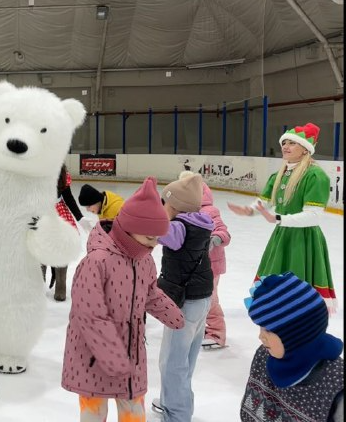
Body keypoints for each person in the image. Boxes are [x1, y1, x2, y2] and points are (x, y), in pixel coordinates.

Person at [62, 176, 184, 422]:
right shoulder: (96, 262)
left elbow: (149, 292)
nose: (154, 245)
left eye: (157, 239)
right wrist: (113, 356)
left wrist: (174, 315)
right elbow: (89, 315)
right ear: (128, 229)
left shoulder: (143, 259)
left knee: (134, 413)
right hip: (94, 356)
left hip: (130, 354)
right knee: (93, 413)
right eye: (150, 238)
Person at [227, 123, 336, 313]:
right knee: (277, 290)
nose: (285, 146)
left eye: (292, 143)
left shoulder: (315, 175)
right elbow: (264, 202)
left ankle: (295, 335)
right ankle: (276, 336)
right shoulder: (279, 175)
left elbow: (313, 216)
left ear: (305, 149)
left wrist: (279, 219)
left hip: (304, 240)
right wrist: (249, 210)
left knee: (297, 292)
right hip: (282, 236)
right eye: (284, 142)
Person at [152, 173, 214, 422]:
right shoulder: (200, 223)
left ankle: (177, 415)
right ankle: (174, 402)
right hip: (201, 299)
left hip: (185, 303)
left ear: (175, 205)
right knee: (186, 358)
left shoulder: (178, 227)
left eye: (164, 203)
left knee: (172, 362)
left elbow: (153, 231)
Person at [241, 272, 343, 421]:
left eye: (268, 330)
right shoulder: (264, 356)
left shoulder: (335, 383)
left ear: (297, 334)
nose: (260, 337)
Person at [178, 171, 232, 350]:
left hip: (211, 266)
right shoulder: (182, 211)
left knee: (210, 300)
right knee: (196, 299)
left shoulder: (208, 210)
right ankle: (198, 329)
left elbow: (224, 233)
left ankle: (217, 333)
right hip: (193, 266)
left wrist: (213, 240)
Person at [42, 163, 83, 301]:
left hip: (59, 213)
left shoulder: (61, 172)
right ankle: (38, 287)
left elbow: (69, 198)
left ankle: (60, 289)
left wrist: (80, 217)